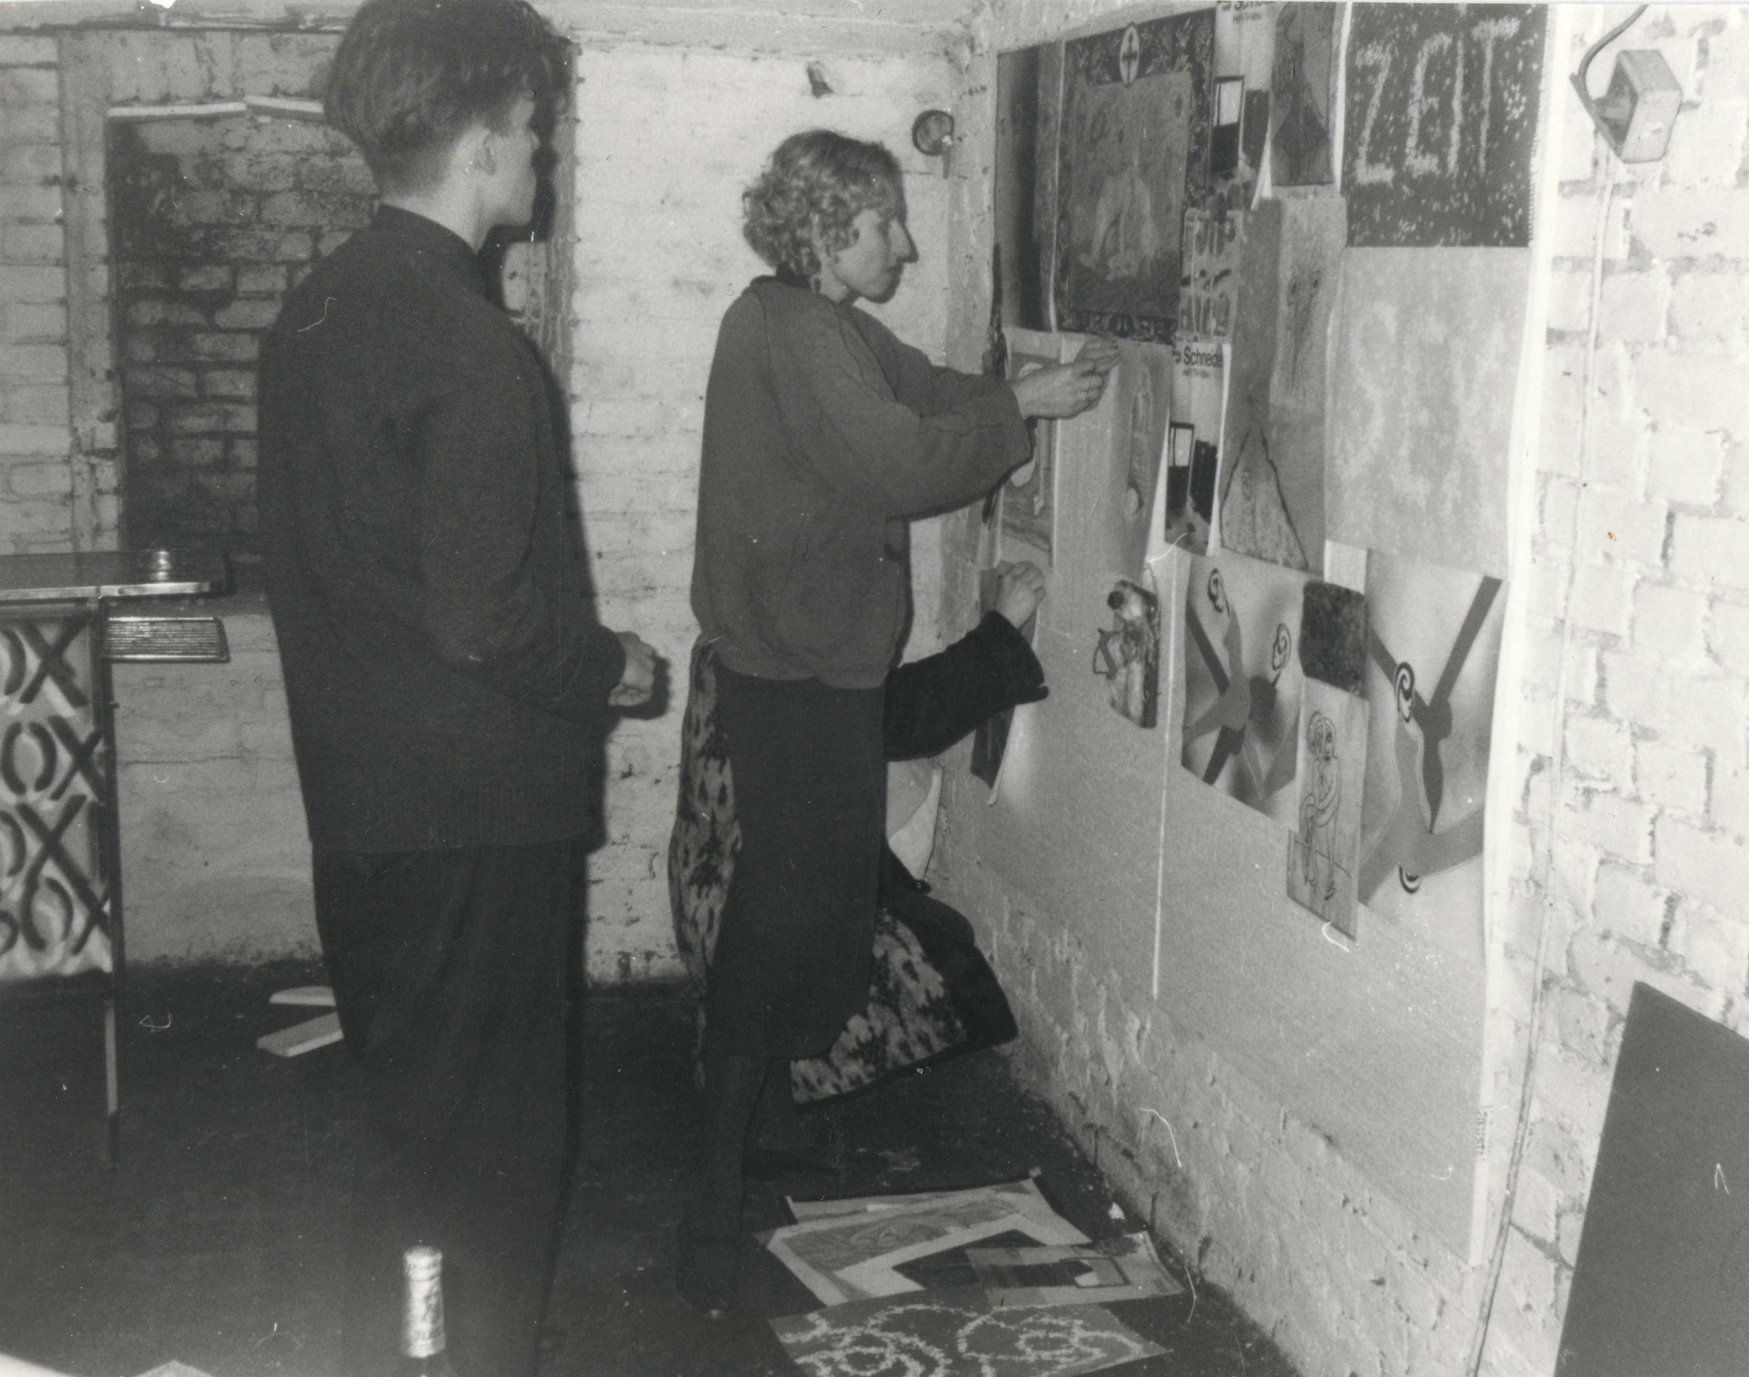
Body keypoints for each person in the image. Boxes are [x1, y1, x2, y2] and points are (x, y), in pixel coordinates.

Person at [256, 2, 659, 1372]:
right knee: (487, 1165)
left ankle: (408, 1359)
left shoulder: (313, 314)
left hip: (367, 808)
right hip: (477, 817)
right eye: (535, 128)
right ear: (486, 142)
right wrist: (617, 663)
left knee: (414, 1138)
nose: (541, 155)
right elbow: (490, 623)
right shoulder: (475, 350)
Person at [681, 128, 1115, 1314]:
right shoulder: (788, 330)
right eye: (887, 223)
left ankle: (752, 1137)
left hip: (804, 664)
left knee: (801, 909)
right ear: (833, 227)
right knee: (791, 918)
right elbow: (896, 461)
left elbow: (924, 392)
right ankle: (708, 1194)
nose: (907, 242)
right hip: (796, 673)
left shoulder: (815, 323)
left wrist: (1017, 396)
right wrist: (1021, 406)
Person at [670, 560, 1048, 1135]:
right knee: (943, 970)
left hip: (714, 888)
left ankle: (756, 1135)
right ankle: (744, 1154)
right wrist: (1000, 628)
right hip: (745, 902)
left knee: (759, 999)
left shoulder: (736, 640)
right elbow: (898, 715)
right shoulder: (785, 668)